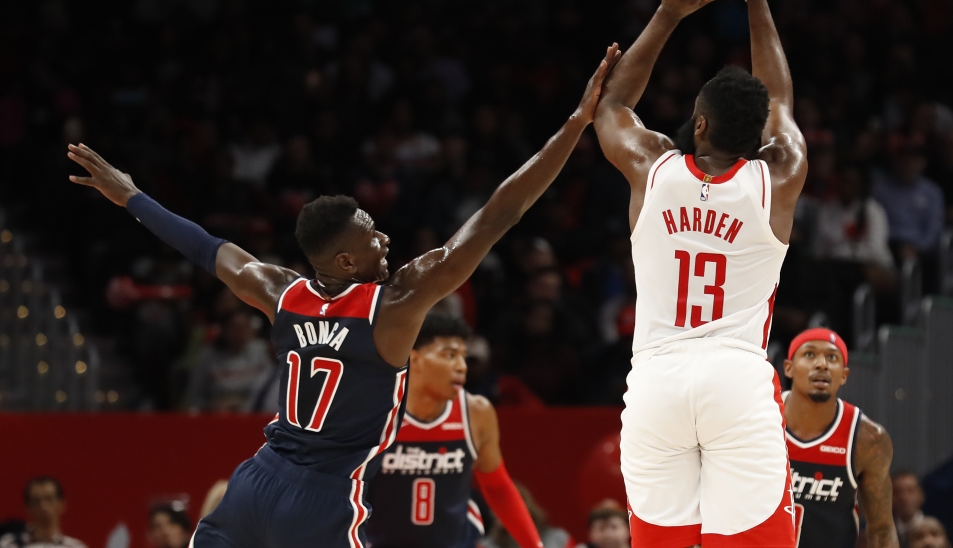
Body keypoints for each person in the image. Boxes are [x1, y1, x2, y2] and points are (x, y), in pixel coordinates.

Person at [67, 46, 621, 548]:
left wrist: (131, 195)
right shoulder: (396, 305)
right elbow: (501, 211)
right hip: (324, 500)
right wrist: (576, 123)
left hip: (255, 484)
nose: (385, 239)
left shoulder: (280, 291)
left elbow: (206, 247)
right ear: (346, 262)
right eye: (372, 235)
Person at [592, 0, 805, 547]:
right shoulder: (778, 178)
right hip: (735, 377)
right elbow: (783, 103)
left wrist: (668, 12)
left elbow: (611, 107)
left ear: (700, 127)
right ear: (758, 133)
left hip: (655, 379)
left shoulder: (652, 170)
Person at [365, 315, 542, 548]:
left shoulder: (476, 412)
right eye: (449, 355)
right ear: (414, 358)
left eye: (463, 357)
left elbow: (497, 487)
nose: (462, 366)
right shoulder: (378, 411)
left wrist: (534, 545)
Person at [783, 328, 897, 548]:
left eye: (832, 357)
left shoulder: (868, 439)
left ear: (844, 375)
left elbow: (881, 529)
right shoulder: (759, 420)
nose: (822, 364)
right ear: (788, 368)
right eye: (809, 354)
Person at [0, 477, 86, 548]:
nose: (43, 506)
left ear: (62, 504)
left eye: (49, 499)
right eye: (36, 501)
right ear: (27, 507)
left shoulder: (75, 546)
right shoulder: (10, 544)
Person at [891, 471, 925, 547]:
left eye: (910, 491)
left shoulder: (941, 530)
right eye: (897, 492)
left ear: (921, 495)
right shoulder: (881, 534)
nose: (904, 498)